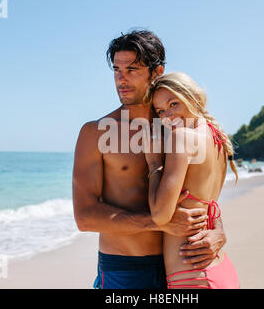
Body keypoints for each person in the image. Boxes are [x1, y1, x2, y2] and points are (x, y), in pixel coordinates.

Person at [72, 30, 228, 289]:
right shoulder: (95, 133)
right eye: (117, 70)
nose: (122, 79)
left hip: (182, 264)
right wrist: (158, 222)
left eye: (132, 70)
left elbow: (203, 189)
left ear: (157, 72)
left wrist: (219, 231)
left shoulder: (177, 128)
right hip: (125, 269)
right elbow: (85, 217)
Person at [143, 72, 240, 289]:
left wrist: (153, 165)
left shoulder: (182, 138)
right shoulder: (218, 139)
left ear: (194, 98)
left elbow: (160, 216)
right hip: (219, 268)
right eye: (160, 111)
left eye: (174, 103)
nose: (168, 116)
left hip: (191, 278)